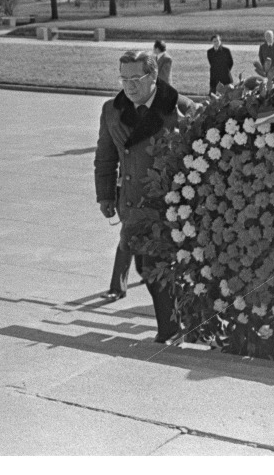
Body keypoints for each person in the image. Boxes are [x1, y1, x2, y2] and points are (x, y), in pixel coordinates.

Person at [95, 51, 196, 337]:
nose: (128, 86)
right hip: (132, 203)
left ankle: (170, 329)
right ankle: (176, 320)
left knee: (154, 267)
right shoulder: (111, 110)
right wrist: (105, 195)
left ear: (153, 76)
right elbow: (105, 157)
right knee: (142, 265)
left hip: (168, 206)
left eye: (135, 79)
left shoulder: (178, 108)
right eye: (123, 78)